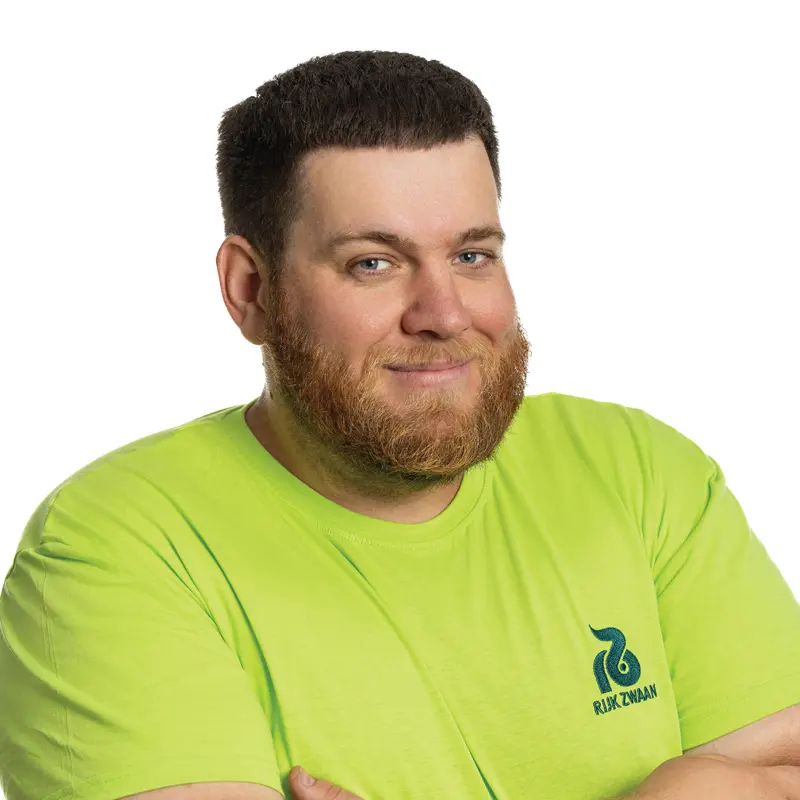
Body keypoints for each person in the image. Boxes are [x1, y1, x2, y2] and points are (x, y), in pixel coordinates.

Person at [1, 50, 798, 800]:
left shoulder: (634, 470)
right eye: (372, 263)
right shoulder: (114, 547)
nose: (443, 313)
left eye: (472, 255)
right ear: (250, 290)